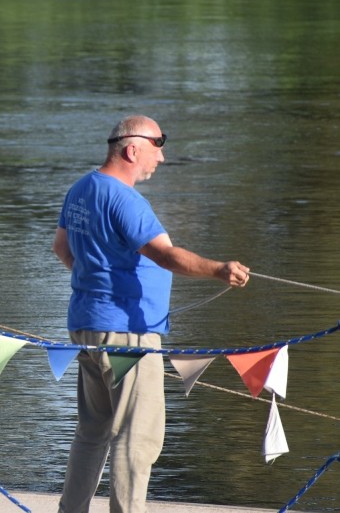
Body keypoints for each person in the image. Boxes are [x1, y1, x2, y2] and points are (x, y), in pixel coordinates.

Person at [51, 115, 250, 513]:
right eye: (158, 144)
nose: (161, 155)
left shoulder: (80, 189)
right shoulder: (124, 199)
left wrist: (98, 281)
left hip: (87, 326)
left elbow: (61, 248)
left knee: (92, 431)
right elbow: (165, 256)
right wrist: (219, 269)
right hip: (128, 333)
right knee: (136, 435)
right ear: (132, 149)